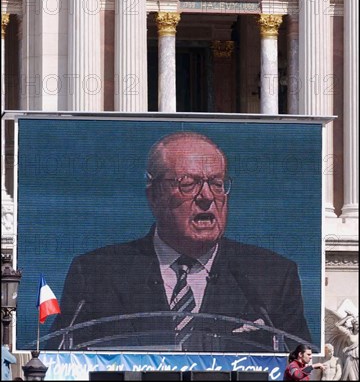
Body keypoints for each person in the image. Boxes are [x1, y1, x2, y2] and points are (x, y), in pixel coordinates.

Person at [46, 131, 312, 352]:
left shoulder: (272, 276)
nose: (207, 196)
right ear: (154, 196)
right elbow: (58, 358)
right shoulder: (97, 273)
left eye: (217, 184)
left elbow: (301, 362)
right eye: (188, 183)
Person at [335, 312, 359, 380]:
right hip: (351, 359)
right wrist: (347, 317)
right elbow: (337, 325)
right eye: (357, 324)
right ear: (353, 325)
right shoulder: (349, 334)